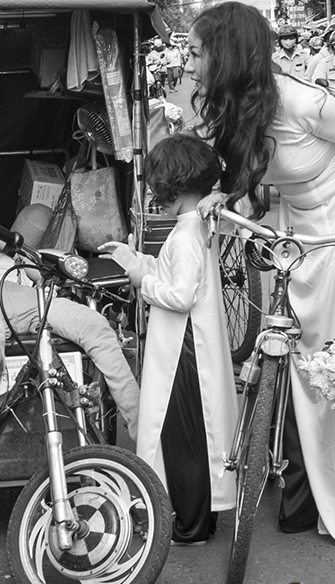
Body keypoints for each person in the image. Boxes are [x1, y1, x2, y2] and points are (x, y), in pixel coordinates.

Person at [188, 1, 335, 556]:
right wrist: (228, 194)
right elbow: (250, 170)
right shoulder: (234, 106)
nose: (190, 62)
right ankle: (297, 487)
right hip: (294, 219)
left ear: (225, 54)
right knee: (290, 348)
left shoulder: (303, 99)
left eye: (199, 51)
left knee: (332, 357)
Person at [100, 135, 237, 546]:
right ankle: (200, 519)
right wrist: (133, 261)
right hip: (194, 345)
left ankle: (191, 524)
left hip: (184, 348)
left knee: (184, 436)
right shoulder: (195, 225)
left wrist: (143, 281)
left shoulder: (187, 232)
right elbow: (173, 272)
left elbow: (179, 295)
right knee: (196, 433)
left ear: (173, 186)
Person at [0, 217, 141, 434]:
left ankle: (138, 420)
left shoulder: (13, 256)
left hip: (31, 302)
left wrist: (3, 245)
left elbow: (41, 274)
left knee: (96, 326)